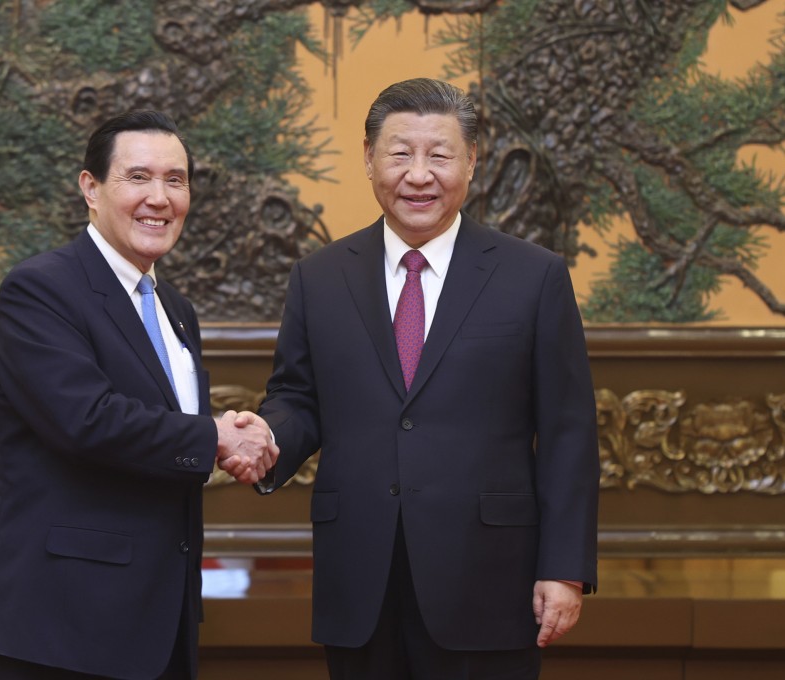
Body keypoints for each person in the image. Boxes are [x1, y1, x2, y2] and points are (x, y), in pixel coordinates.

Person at [250, 78, 599, 679]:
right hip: (360, 577)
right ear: (368, 158)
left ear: (471, 161)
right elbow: (298, 397)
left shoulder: (533, 277)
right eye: (399, 153)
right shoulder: (319, 276)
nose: (419, 175)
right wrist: (264, 440)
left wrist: (564, 568)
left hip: (489, 578)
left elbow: (568, 432)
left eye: (439, 155)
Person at [0, 110, 277, 680]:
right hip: (66, 624)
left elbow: (164, 440)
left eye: (176, 180)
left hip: (159, 619)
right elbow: (85, 420)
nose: (159, 197)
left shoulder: (174, 309)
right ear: (91, 188)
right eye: (138, 177)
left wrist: (236, 441)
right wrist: (217, 435)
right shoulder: (41, 288)